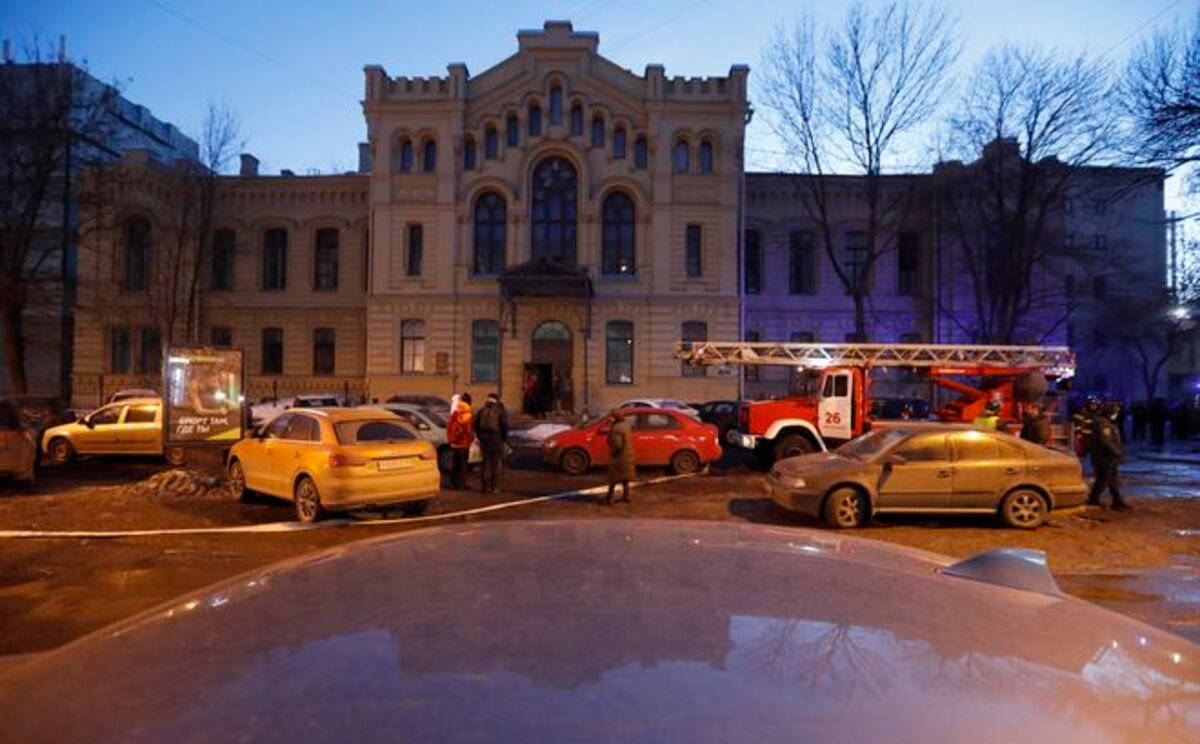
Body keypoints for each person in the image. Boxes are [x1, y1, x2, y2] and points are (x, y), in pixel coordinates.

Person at [1087, 402, 1131, 511]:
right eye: (1115, 412)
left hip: (1108, 457)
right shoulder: (1103, 423)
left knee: (1111, 480)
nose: (1116, 414)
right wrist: (1117, 452)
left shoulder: (1107, 422)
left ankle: (1117, 500)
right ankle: (1094, 499)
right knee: (1103, 479)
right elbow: (1105, 441)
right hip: (1104, 457)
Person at [473, 392, 509, 494]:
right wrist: (504, 438)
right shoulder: (500, 410)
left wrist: (480, 437)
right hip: (496, 438)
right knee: (496, 463)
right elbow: (504, 425)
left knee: (485, 463)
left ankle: (485, 487)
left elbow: (475, 425)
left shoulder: (481, 410)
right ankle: (495, 487)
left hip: (484, 439)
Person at [605, 410, 635, 506]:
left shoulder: (616, 429)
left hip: (619, 456)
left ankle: (610, 498)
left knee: (613, 478)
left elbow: (617, 445)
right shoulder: (626, 426)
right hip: (628, 454)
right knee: (625, 478)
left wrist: (613, 454)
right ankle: (626, 496)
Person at [446, 393, 474, 490]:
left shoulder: (455, 412)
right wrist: (471, 438)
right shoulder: (467, 413)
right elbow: (468, 429)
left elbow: (449, 426)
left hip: (455, 442)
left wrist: (450, 438)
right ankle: (461, 484)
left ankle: (452, 483)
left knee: (454, 465)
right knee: (463, 465)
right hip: (463, 442)